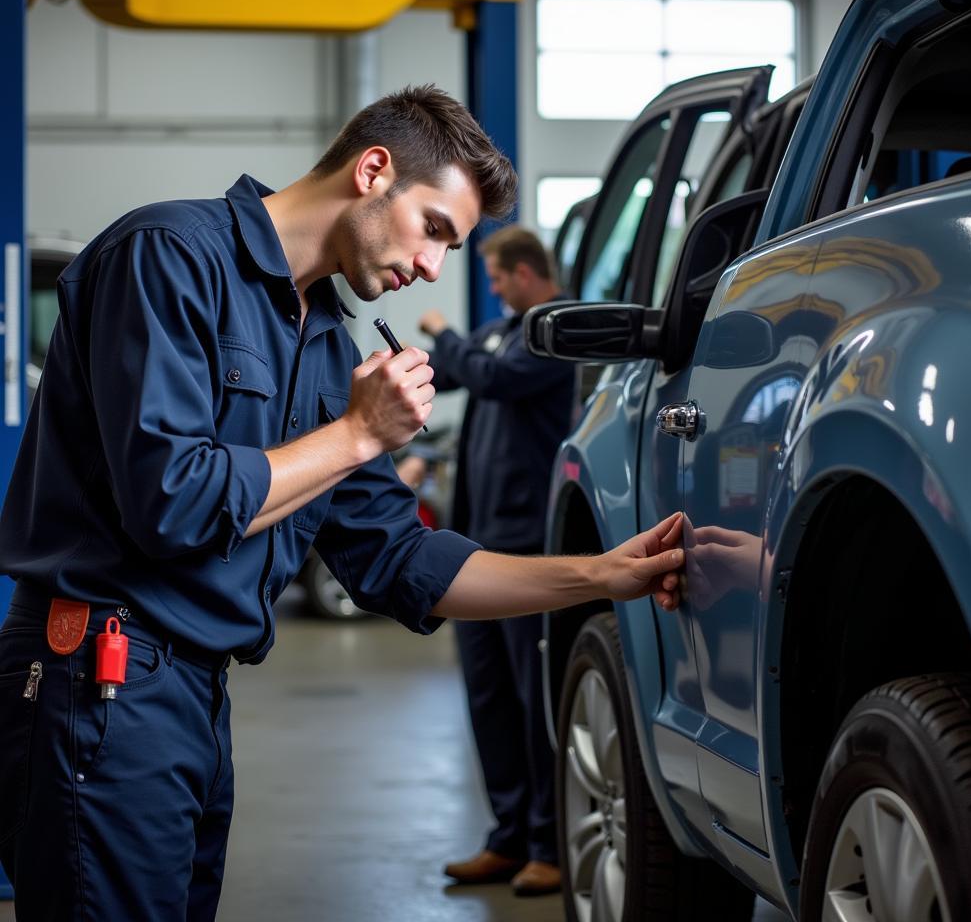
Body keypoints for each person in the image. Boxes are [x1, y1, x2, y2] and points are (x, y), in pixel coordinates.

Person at [0, 84, 685, 922]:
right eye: (434, 228)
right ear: (372, 171)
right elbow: (170, 501)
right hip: (101, 674)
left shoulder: (327, 344)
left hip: (195, 696)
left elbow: (401, 560)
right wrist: (360, 435)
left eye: (453, 248)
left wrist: (598, 575)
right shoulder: (168, 256)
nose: (433, 267)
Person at [419, 225, 571, 896]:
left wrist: (442, 329)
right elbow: (458, 372)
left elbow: (494, 376)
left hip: (525, 543)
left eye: (501, 277)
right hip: (476, 540)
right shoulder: (502, 330)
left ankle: (548, 842)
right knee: (488, 697)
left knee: (529, 695)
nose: (496, 289)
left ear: (529, 273)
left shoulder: (553, 330)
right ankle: (508, 836)